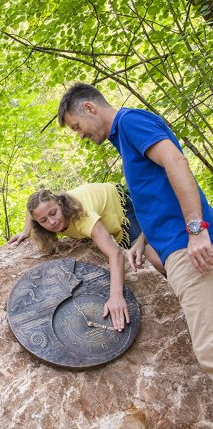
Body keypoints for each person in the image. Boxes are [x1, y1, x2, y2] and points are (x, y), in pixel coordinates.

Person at [57, 82, 213, 381]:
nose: (80, 135)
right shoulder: (124, 137)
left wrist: (196, 230)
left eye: (77, 126)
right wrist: (143, 239)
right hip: (176, 242)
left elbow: (176, 162)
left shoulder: (130, 122)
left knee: (209, 352)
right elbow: (159, 192)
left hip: (187, 247)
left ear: (90, 107)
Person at [9, 183, 165, 332]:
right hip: (93, 211)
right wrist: (26, 232)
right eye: (43, 220)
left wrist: (116, 297)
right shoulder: (44, 211)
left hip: (119, 204)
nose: (52, 221)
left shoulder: (83, 217)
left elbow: (115, 253)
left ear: (60, 203)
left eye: (53, 213)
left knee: (153, 257)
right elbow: (32, 211)